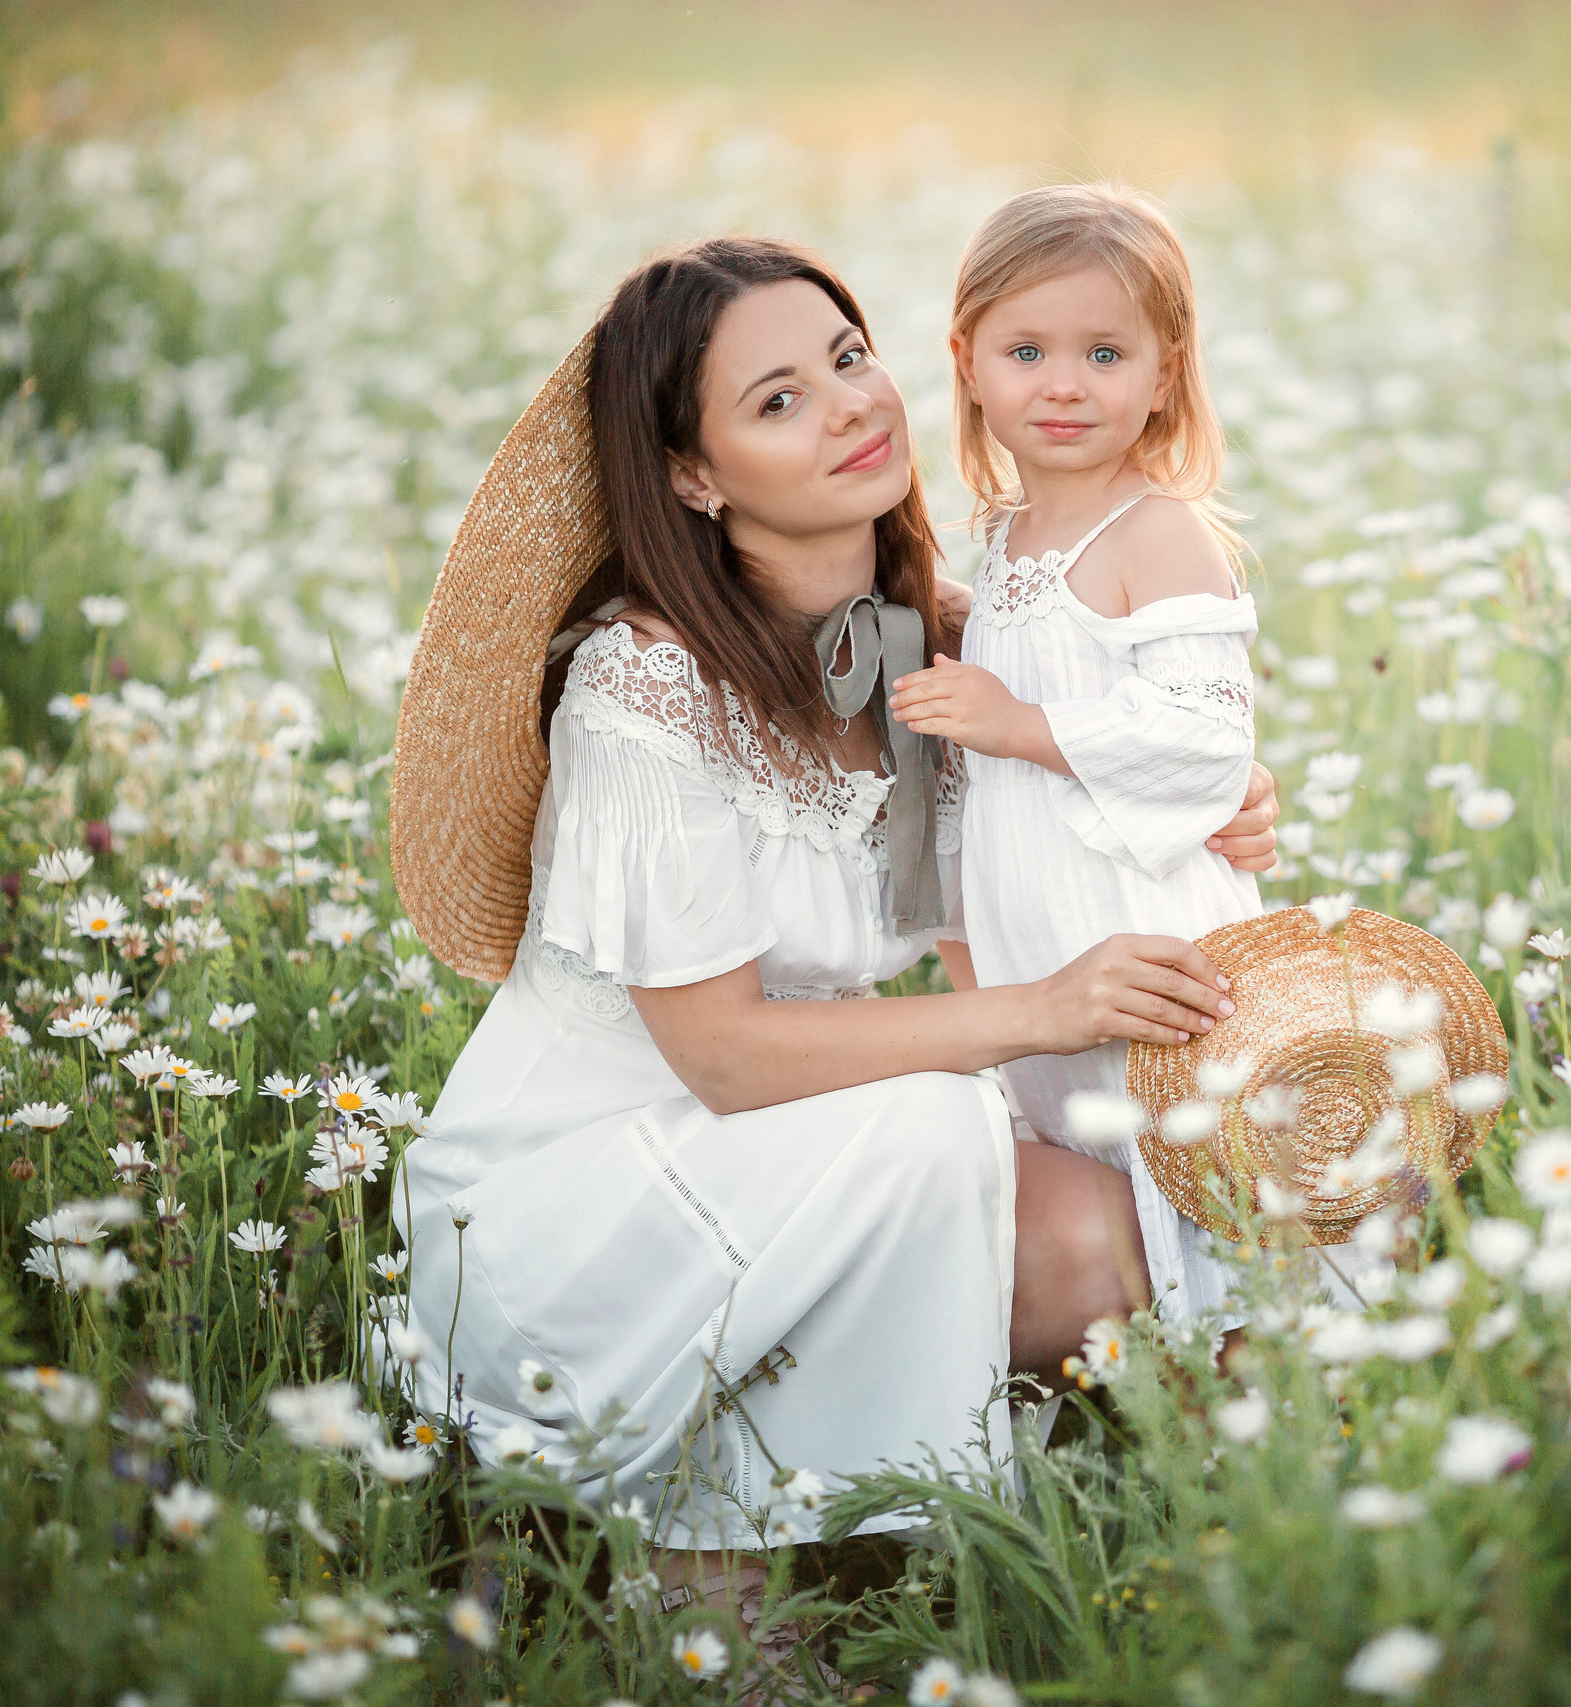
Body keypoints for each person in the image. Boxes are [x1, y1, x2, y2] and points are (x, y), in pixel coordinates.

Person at [383, 236, 1280, 1669]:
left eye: (849, 358)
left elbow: (1104, 782)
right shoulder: (642, 690)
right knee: (934, 1131)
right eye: (779, 400)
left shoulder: (935, 644)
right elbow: (724, 1057)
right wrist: (1037, 1014)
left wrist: (1205, 794)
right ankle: (698, 1561)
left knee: (1110, 1238)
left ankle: (1137, 1534)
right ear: (696, 475)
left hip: (818, 1136)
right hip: (592, 1193)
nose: (852, 405)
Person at [889, 184, 1265, 1330]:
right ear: (967, 364)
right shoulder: (1004, 538)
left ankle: (1240, 1367)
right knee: (1086, 1142)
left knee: (1184, 1150)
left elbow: (1206, 738)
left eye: (1105, 353)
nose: (1064, 384)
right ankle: (1137, 1362)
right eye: (1027, 351)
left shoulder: (1155, 531)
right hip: (1040, 930)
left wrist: (1016, 723)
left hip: (1140, 921)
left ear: (1163, 375)